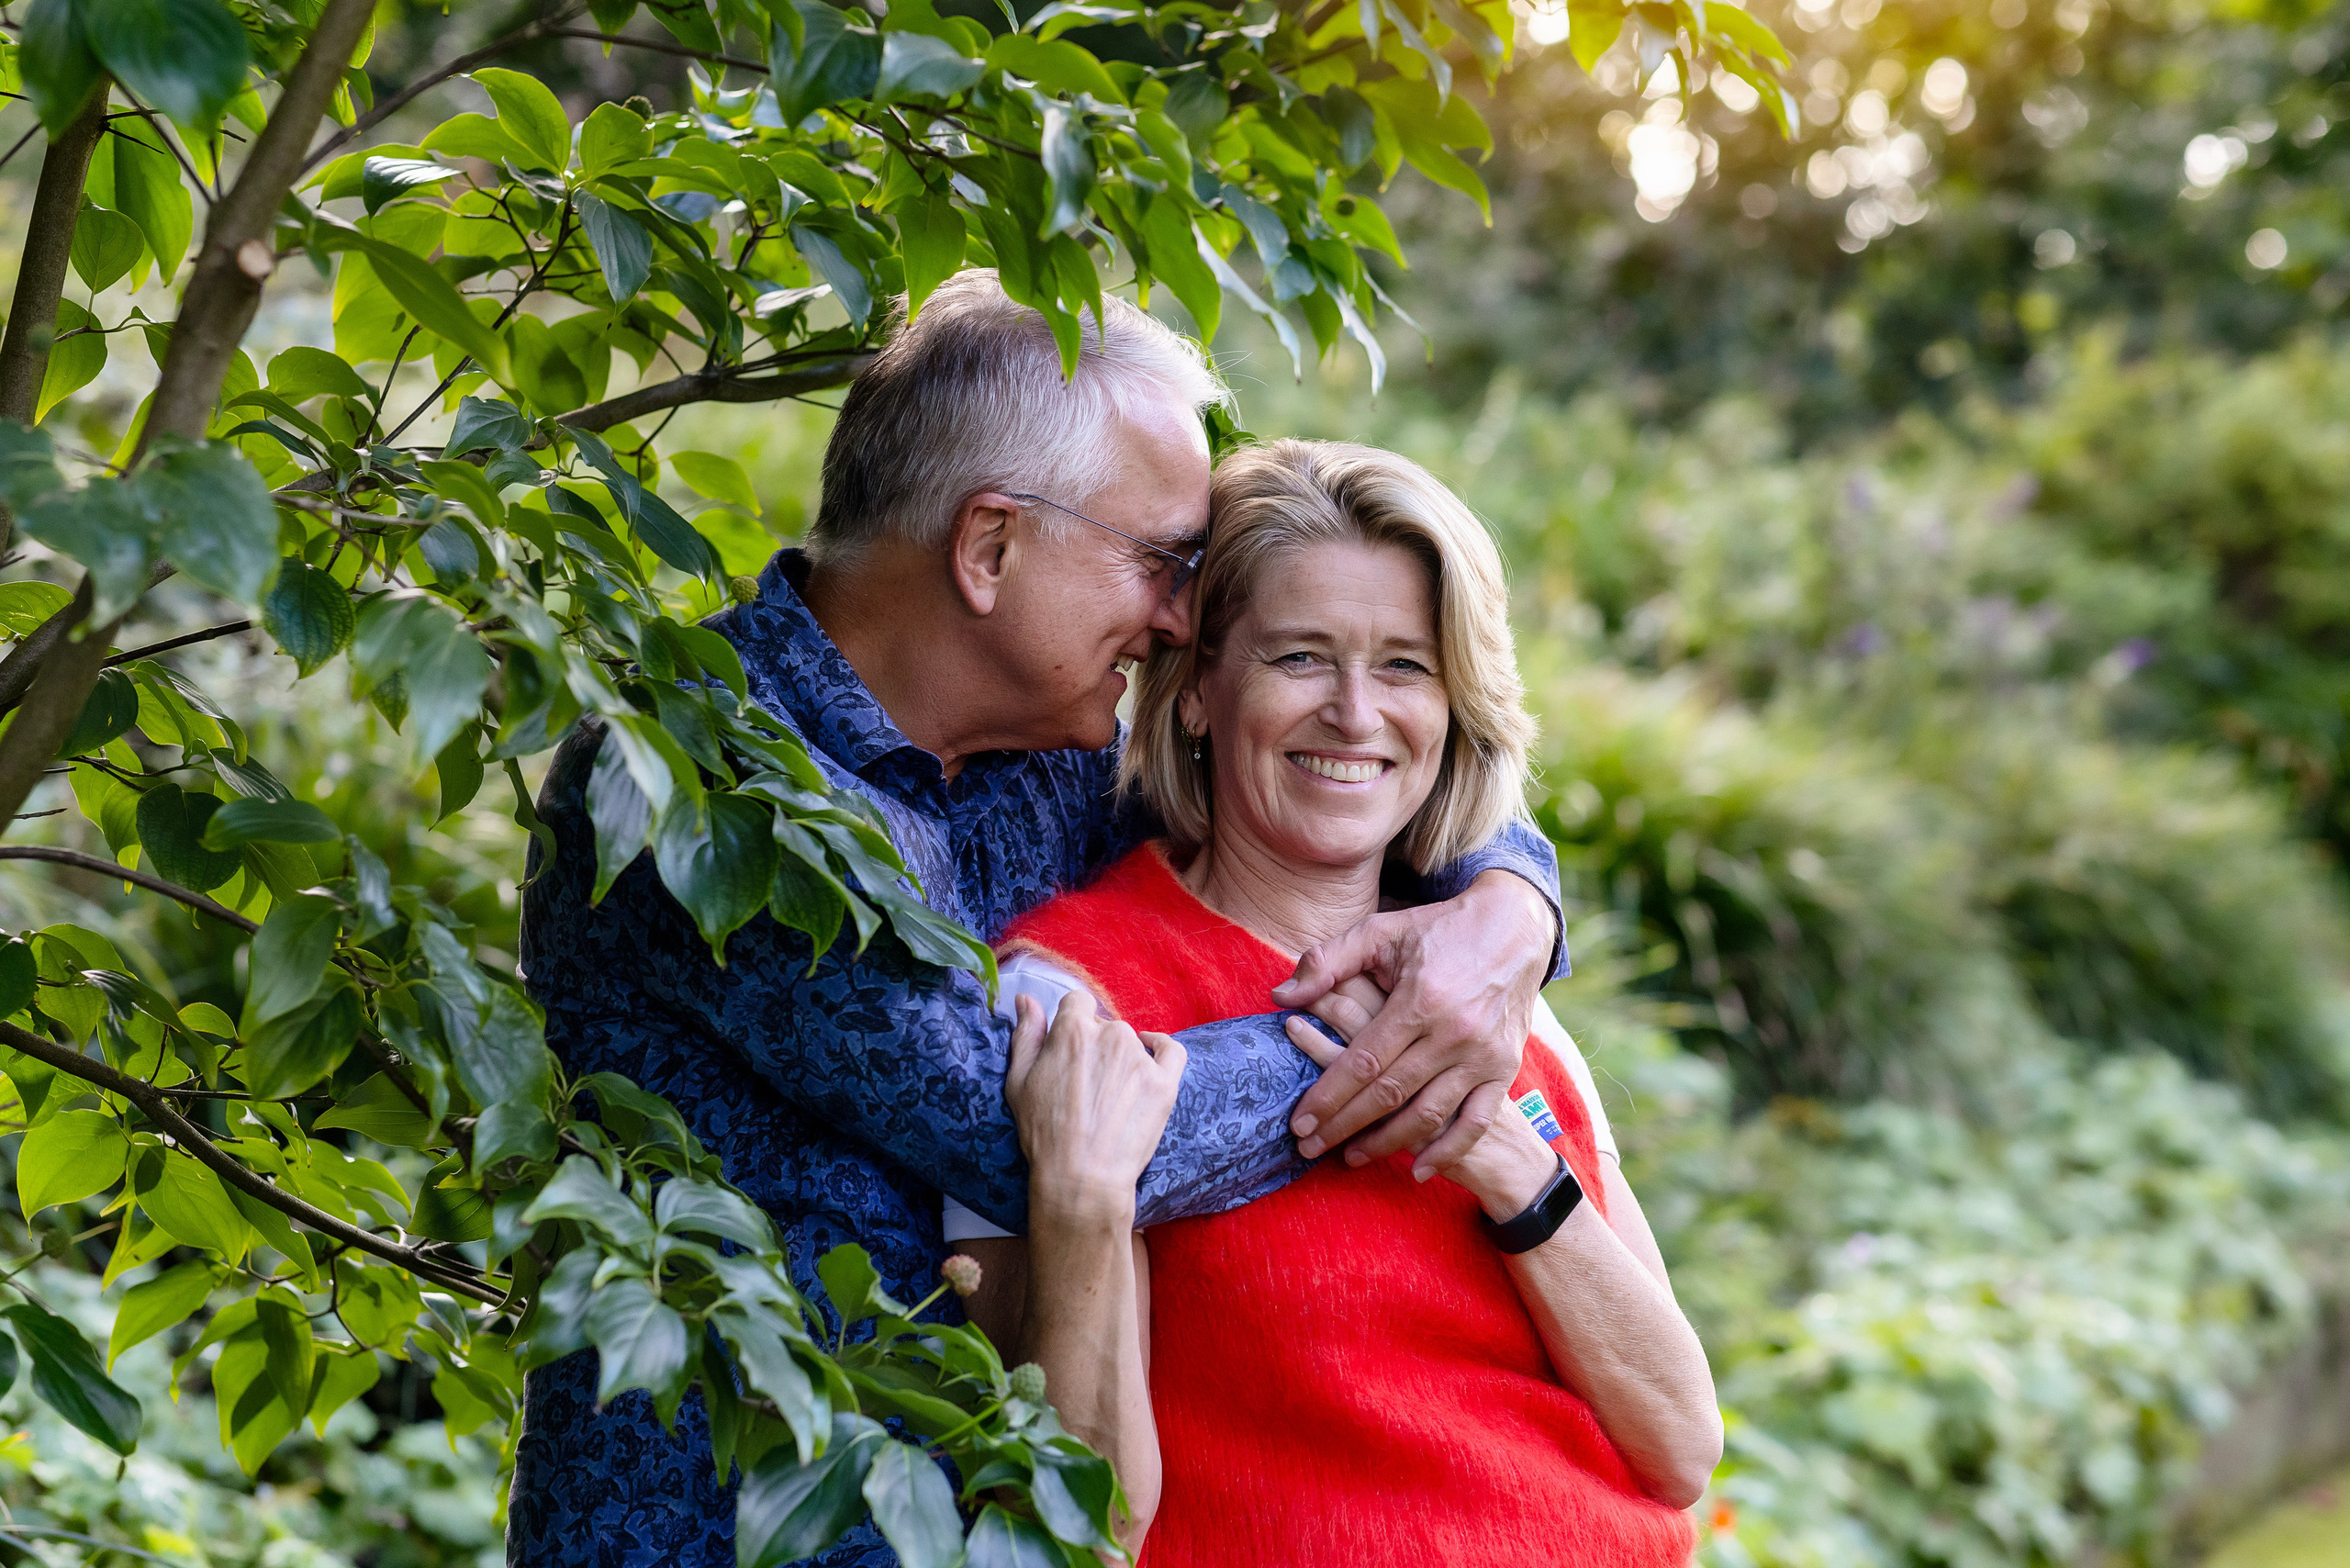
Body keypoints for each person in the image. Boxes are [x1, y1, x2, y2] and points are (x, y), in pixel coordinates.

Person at [509, 274, 1579, 1566]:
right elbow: (1053, 1135)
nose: (1183, 617)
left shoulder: (1048, 753)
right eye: (1162, 562)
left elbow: (1338, 803)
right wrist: (1417, 1037)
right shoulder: (700, 787)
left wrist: (1506, 911)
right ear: (990, 548)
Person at [954, 440, 1723, 1564]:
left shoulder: (1492, 995)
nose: (1356, 713)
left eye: (1406, 666)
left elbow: (1680, 1447)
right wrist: (1081, 1209)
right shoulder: (1077, 996)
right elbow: (1088, 1525)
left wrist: (1503, 1155)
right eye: (1301, 657)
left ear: (1453, 708)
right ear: (1203, 687)